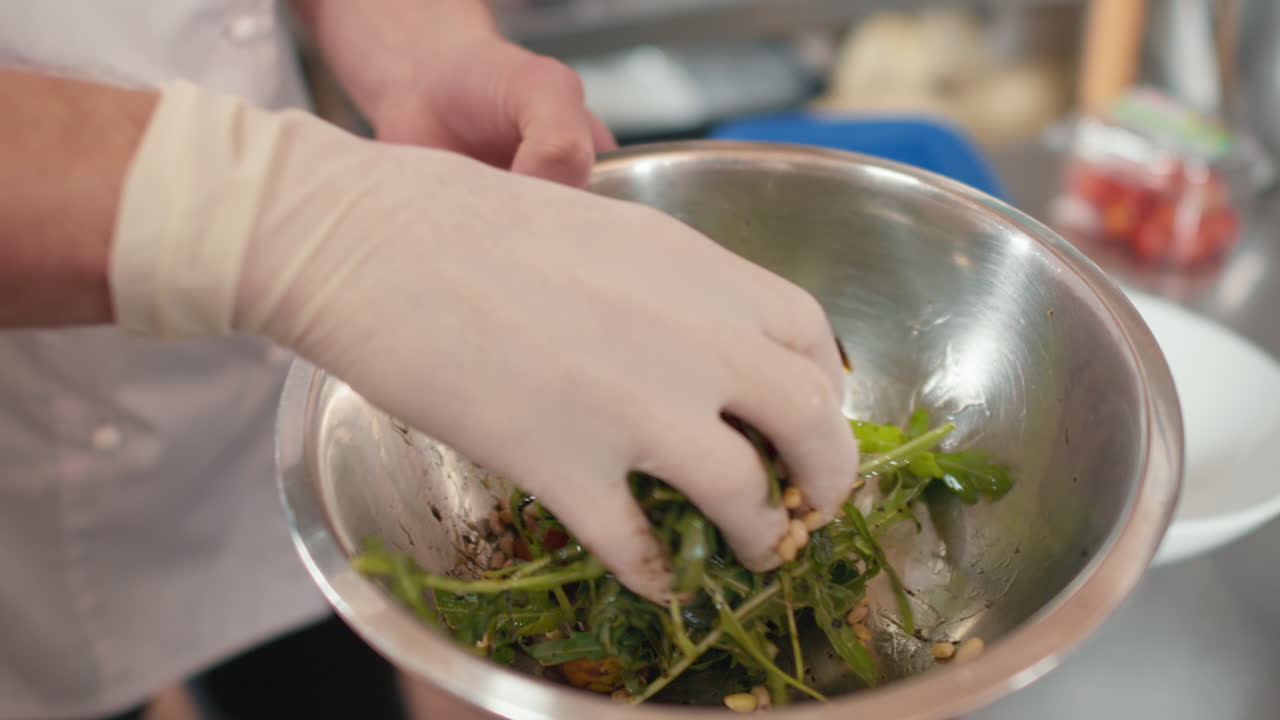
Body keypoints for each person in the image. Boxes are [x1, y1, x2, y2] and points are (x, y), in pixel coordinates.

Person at [0, 2, 860, 719]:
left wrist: (414, 47)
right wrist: (291, 214)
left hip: (285, 377)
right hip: (33, 464)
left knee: (322, 672)